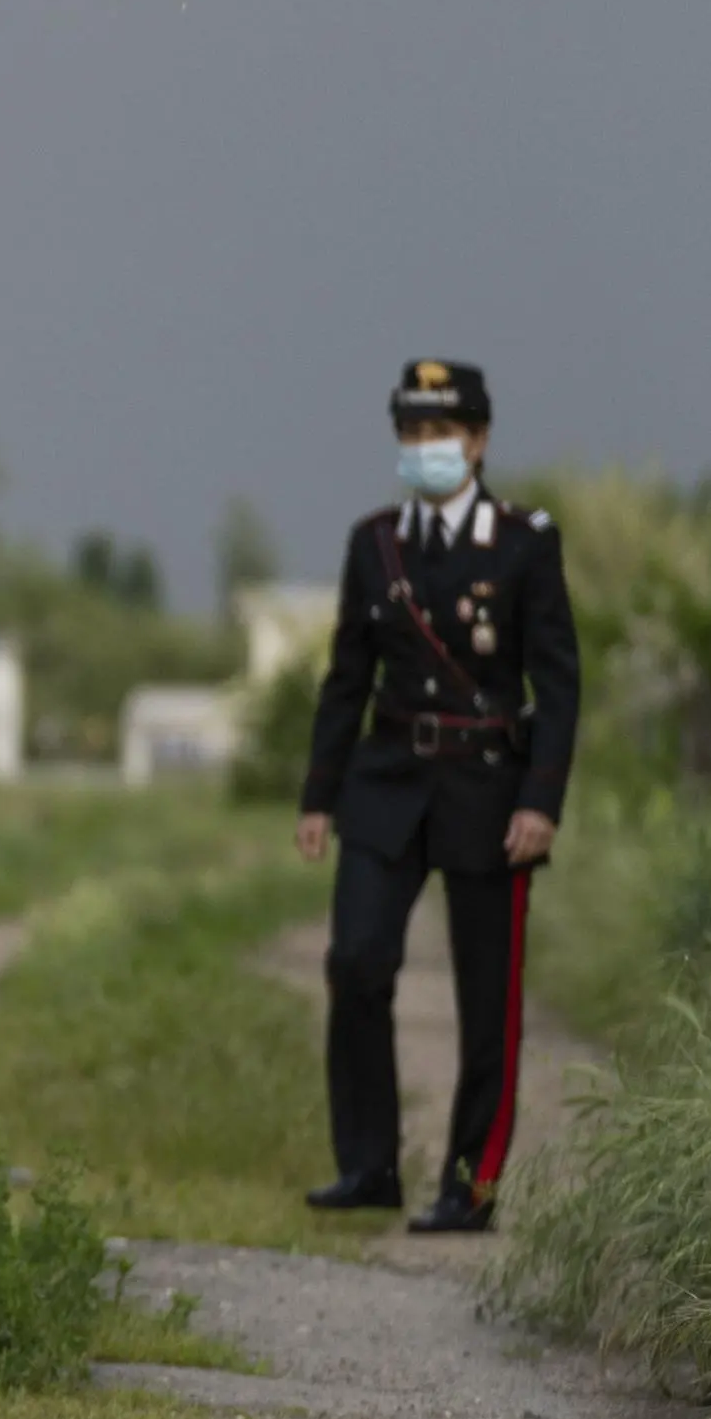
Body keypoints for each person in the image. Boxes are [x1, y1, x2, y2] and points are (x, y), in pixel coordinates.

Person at [296, 359, 577, 1233]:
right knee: (356, 960)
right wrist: (318, 793)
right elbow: (346, 676)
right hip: (385, 783)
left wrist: (542, 800)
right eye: (411, 434)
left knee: (486, 993)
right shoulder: (373, 543)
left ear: (479, 441)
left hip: (489, 792)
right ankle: (369, 1163)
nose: (425, 450)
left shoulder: (524, 542)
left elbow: (558, 683)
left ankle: (471, 1182)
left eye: (441, 433)